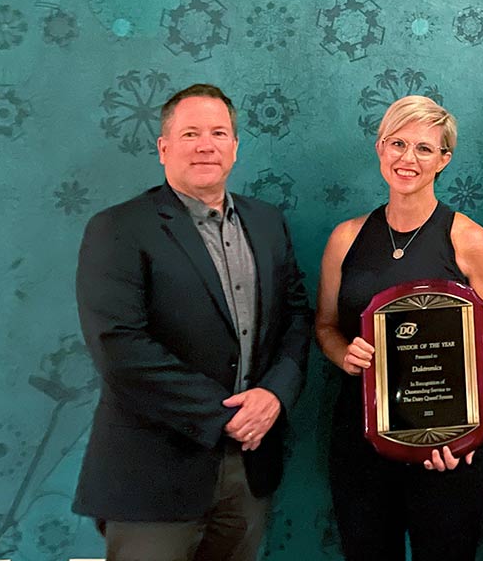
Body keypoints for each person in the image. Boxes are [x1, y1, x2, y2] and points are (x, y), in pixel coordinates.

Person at [74, 83, 312, 559]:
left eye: (218, 133)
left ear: (235, 147)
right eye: (191, 134)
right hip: (152, 475)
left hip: (249, 470)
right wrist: (227, 415)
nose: (206, 145)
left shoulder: (267, 222)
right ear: (163, 148)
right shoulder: (118, 227)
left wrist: (274, 394)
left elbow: (297, 317)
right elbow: (119, 346)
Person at [315, 95, 483, 560]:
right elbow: (325, 326)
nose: (408, 158)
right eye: (398, 143)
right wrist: (344, 355)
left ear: (444, 159)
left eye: (424, 148)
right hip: (362, 439)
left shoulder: (470, 240)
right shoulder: (345, 238)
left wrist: (461, 428)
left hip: (446, 451)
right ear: (380, 148)